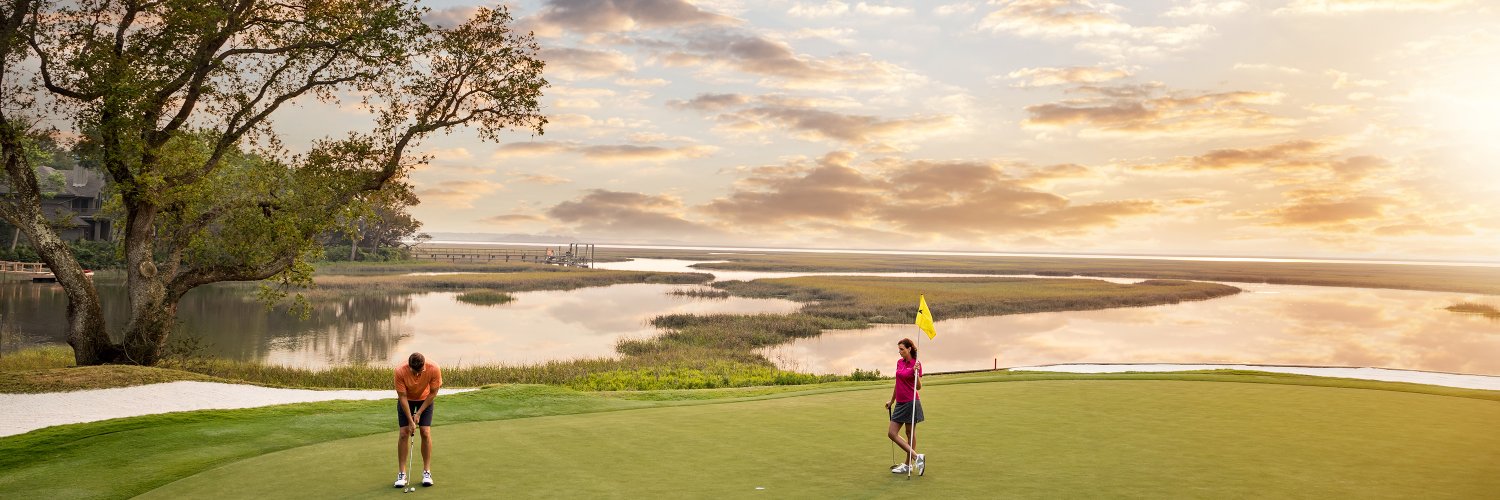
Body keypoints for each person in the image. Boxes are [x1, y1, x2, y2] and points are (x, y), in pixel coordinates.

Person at [394, 352, 443, 488]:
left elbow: (433, 393)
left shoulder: (434, 368)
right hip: (407, 401)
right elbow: (402, 397)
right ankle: (402, 474)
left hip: (425, 400)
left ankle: (427, 472)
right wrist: (410, 420)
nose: (417, 375)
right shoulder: (399, 371)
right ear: (409, 366)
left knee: (425, 432)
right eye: (414, 372)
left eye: (420, 372)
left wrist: (419, 413)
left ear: (424, 367)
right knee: (404, 433)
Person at [884, 338, 926, 475]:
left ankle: (908, 464)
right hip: (900, 403)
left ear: (909, 349)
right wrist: (892, 401)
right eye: (899, 349)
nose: (899, 352)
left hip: (911, 402)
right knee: (892, 433)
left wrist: (915, 373)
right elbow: (898, 383)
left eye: (902, 349)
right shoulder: (899, 363)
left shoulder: (916, 363)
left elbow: (918, 387)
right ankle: (916, 457)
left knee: (909, 434)